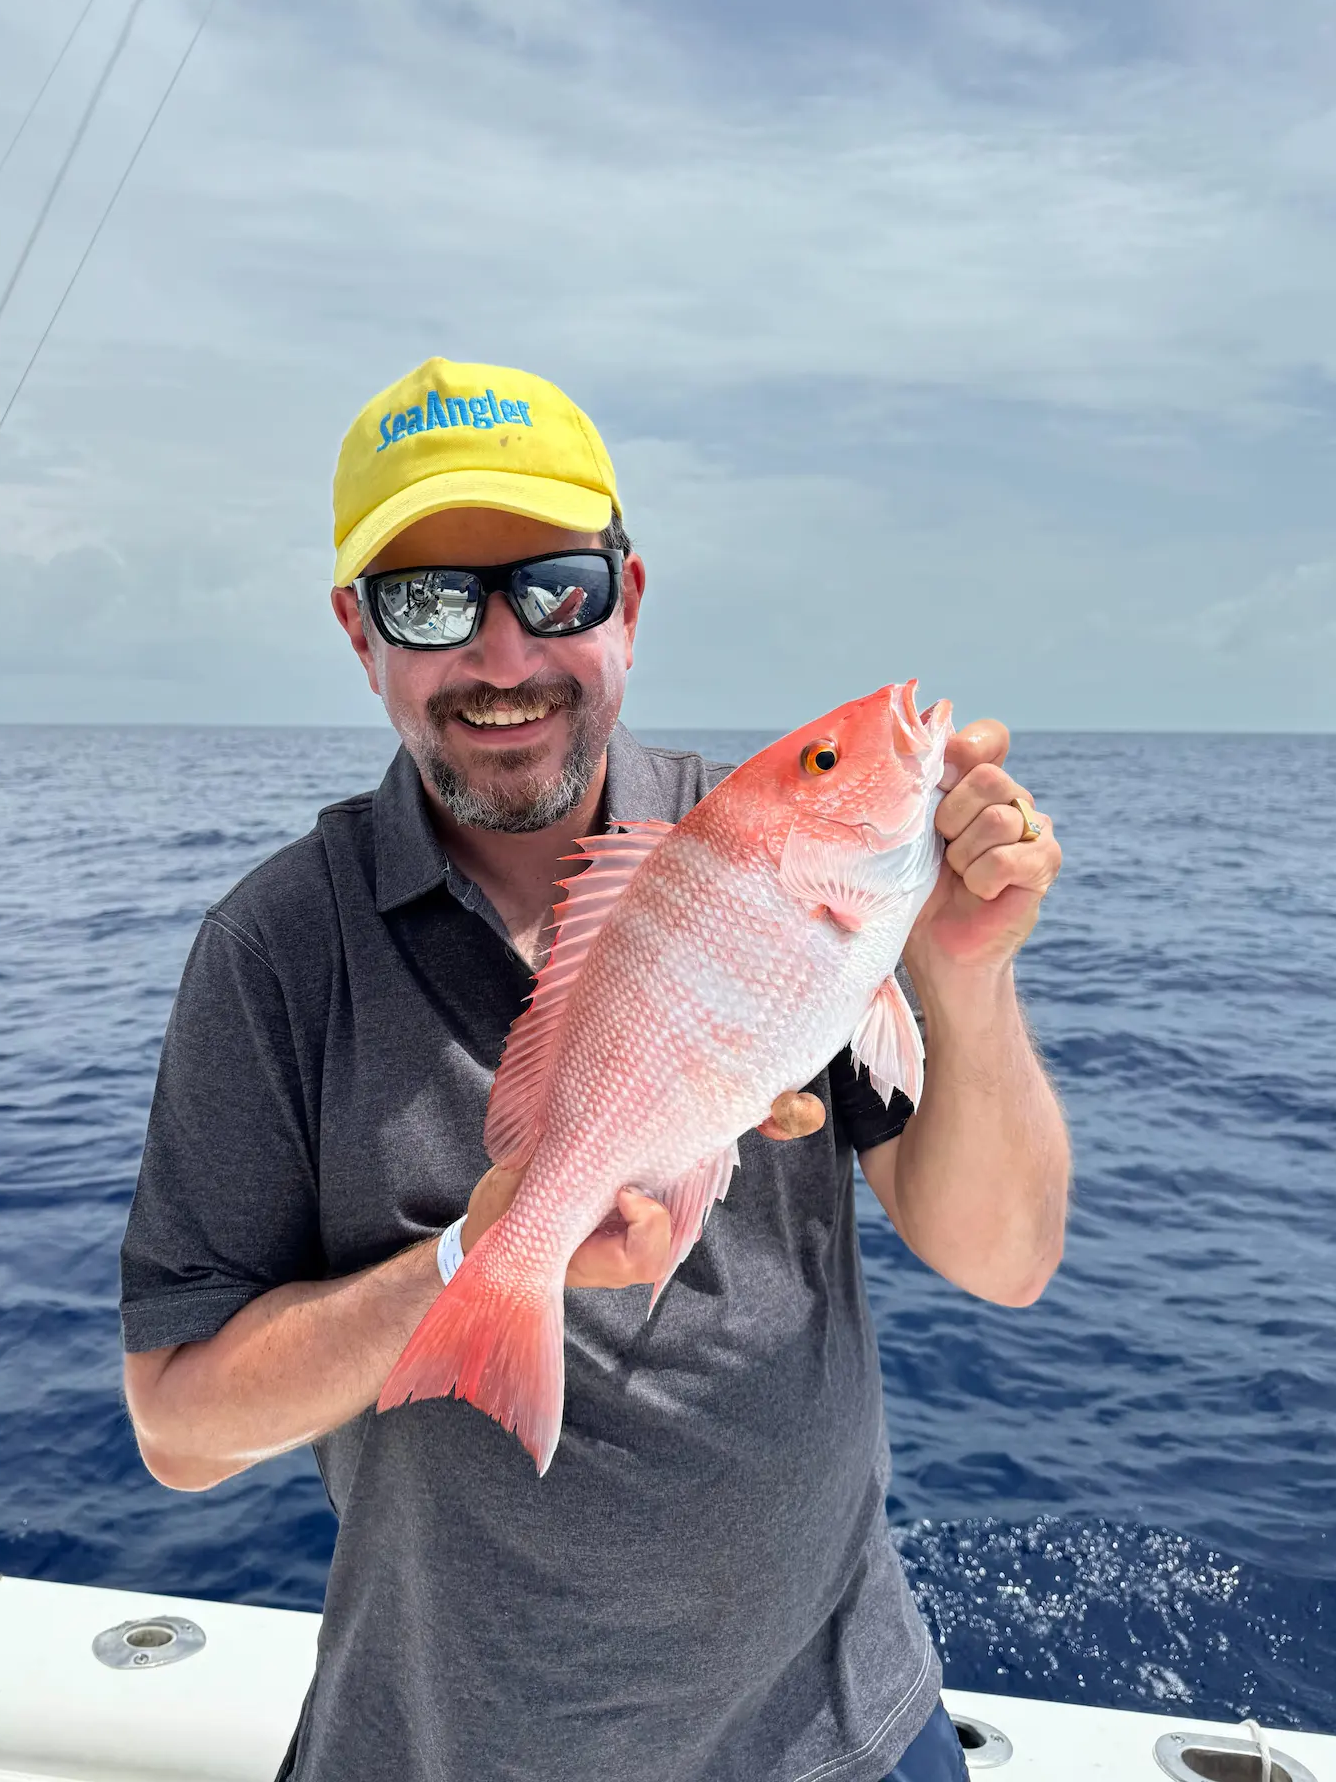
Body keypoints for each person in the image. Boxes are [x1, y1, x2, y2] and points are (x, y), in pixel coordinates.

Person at [120, 357, 1069, 1782]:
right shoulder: (276, 950)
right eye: (430, 603)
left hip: (846, 1736)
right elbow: (181, 1431)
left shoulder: (754, 849)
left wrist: (967, 972)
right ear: (356, 635)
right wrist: (476, 1265)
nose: (503, 660)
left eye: (553, 588)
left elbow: (1004, 1260)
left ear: (628, 600)